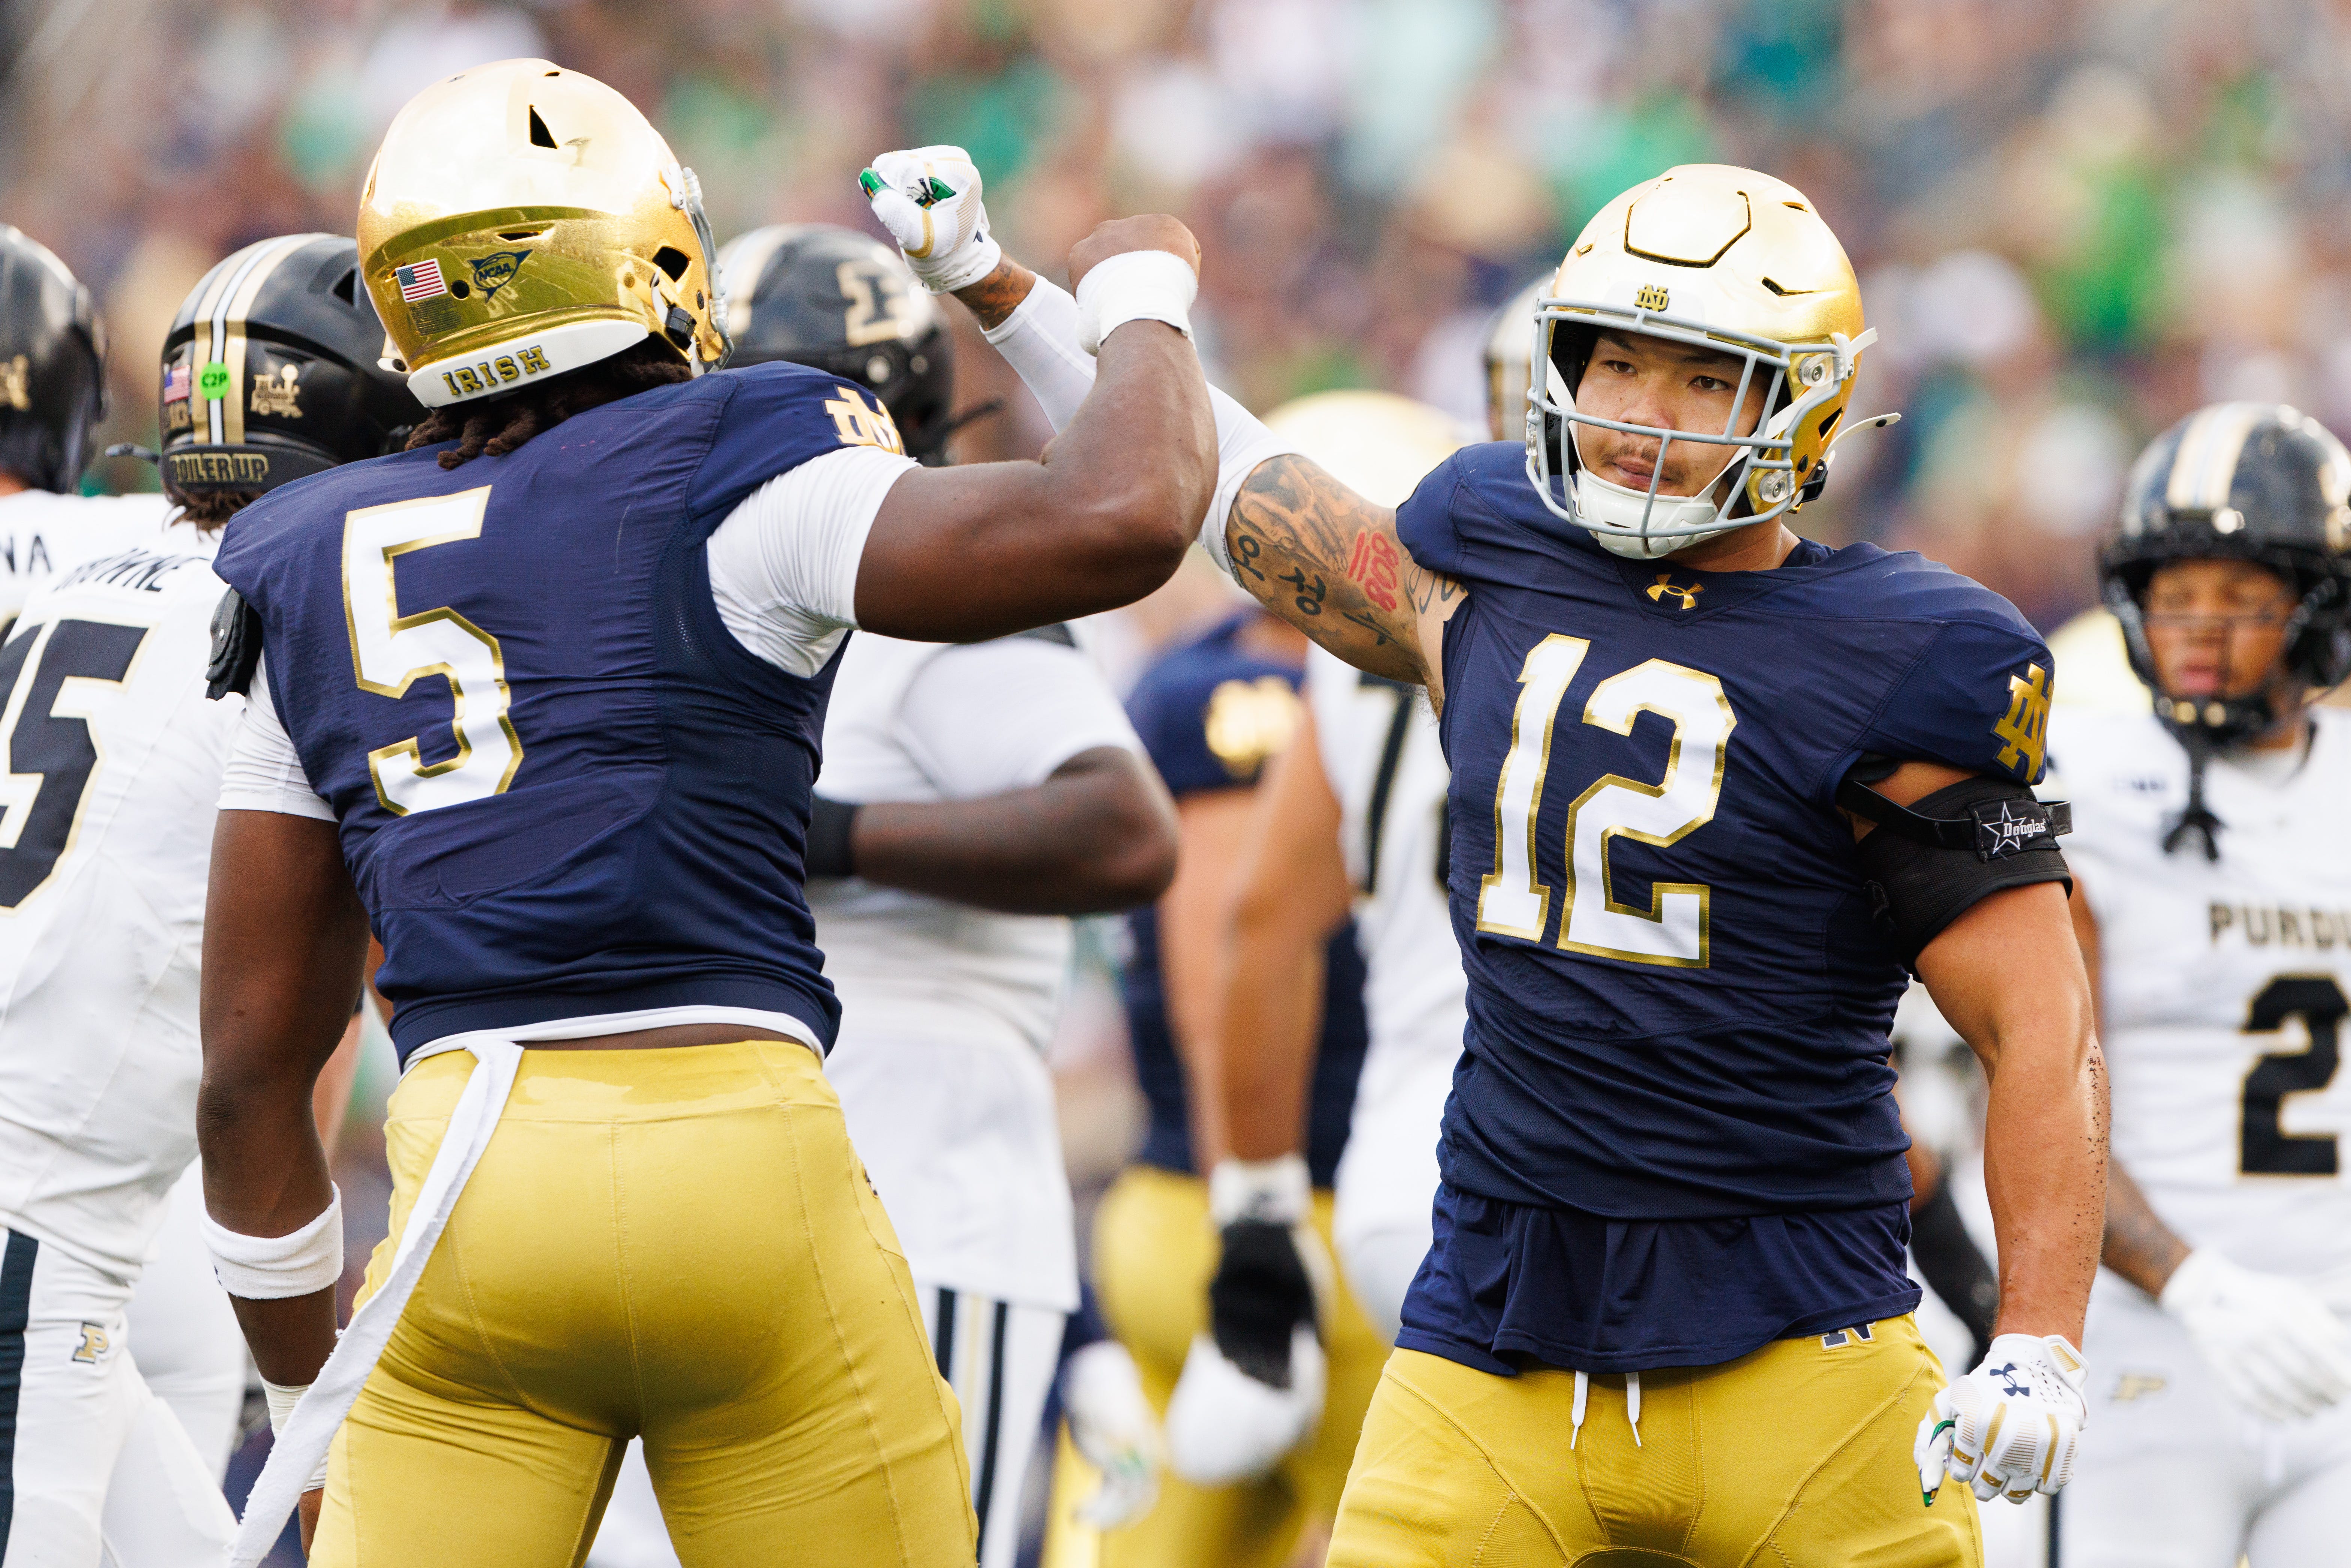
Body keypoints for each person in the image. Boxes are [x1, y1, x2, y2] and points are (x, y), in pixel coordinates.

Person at [865, 150, 2106, 1564]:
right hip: (1493, 1337)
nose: (1642, 417)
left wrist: (2039, 1337)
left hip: (1797, 1343)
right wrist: (1001, 288)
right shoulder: (1493, 550)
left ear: (1804, 399)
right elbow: (1242, 495)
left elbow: (2038, 1019)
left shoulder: (1907, 651)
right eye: (1617, 363)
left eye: (1703, 380)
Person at [194, 63, 1212, 1567]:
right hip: (746, 1163)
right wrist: (1137, 296)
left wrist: (302, 1392)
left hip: (469, 1190)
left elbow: (250, 1074)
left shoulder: (301, 553)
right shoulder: (745, 455)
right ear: (649, 255)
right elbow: (1123, 512)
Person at [586, 220, 1182, 1568]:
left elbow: (1121, 828)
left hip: (924, 1206)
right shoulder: (705, 604)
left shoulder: (950, 605)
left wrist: (830, 833)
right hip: (720, 1197)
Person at [0, 226, 412, 1562]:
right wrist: (313, 1408)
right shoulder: (308, 618)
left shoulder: (76, 573)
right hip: (34, 1248)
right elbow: (257, 1090)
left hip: (68, 1253)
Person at [1034, 564, 1383, 1568]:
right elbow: (1223, 960)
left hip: (1171, 1208)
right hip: (1288, 1220)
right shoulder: (1248, 698)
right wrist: (1253, 1221)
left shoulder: (1193, 672)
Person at [2053, 402, 2351, 1566]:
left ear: (2320, 607)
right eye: (2176, 591)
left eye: (2240, 598)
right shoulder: (2081, 780)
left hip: (2334, 1345)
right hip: (2150, 1345)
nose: (2196, 628)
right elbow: (2040, 1091)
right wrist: (2189, 1284)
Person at [1204, 389, 1466, 1344]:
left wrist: (1256, 1202)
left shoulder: (1360, 654)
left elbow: (1263, 922)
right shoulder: (1702, 640)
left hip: (1393, 1169)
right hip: (1598, 1190)